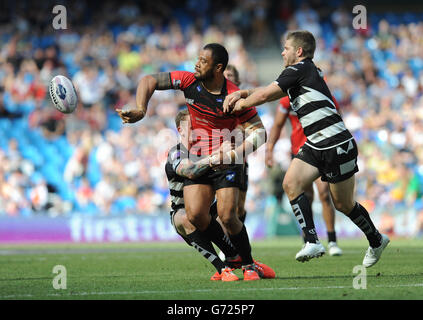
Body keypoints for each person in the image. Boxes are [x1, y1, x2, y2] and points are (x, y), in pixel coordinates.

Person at [223, 31, 389, 267]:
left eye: (286, 48)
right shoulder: (303, 72)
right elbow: (270, 90)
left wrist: (240, 104)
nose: (282, 52)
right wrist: (242, 92)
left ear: (298, 51)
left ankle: (376, 239)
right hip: (317, 143)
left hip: (336, 143)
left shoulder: (300, 69)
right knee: (291, 183)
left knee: (343, 204)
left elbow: (265, 95)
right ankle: (312, 241)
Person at [117, 43, 272, 280]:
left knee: (228, 215)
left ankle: (249, 265)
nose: (196, 64)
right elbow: (149, 80)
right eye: (197, 59)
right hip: (198, 156)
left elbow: (260, 133)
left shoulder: (232, 97)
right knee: (196, 215)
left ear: (218, 67)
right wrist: (141, 108)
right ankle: (232, 256)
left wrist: (235, 153)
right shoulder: (189, 81)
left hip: (226, 160)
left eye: (203, 60)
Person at [166, 109, 274, 281]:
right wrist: (217, 156)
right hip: (181, 211)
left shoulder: (205, 150)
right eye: (192, 126)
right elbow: (189, 170)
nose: (197, 129)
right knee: (186, 217)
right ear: (180, 130)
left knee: (227, 215)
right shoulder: (176, 151)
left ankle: (246, 262)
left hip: (209, 211)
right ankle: (223, 267)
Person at [266, 94, 343, 256]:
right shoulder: (288, 99)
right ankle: (309, 239)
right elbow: (278, 124)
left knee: (324, 193)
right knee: (305, 196)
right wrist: (270, 149)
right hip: (299, 152)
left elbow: (338, 119)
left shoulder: (324, 94)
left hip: (321, 149)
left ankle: (332, 241)